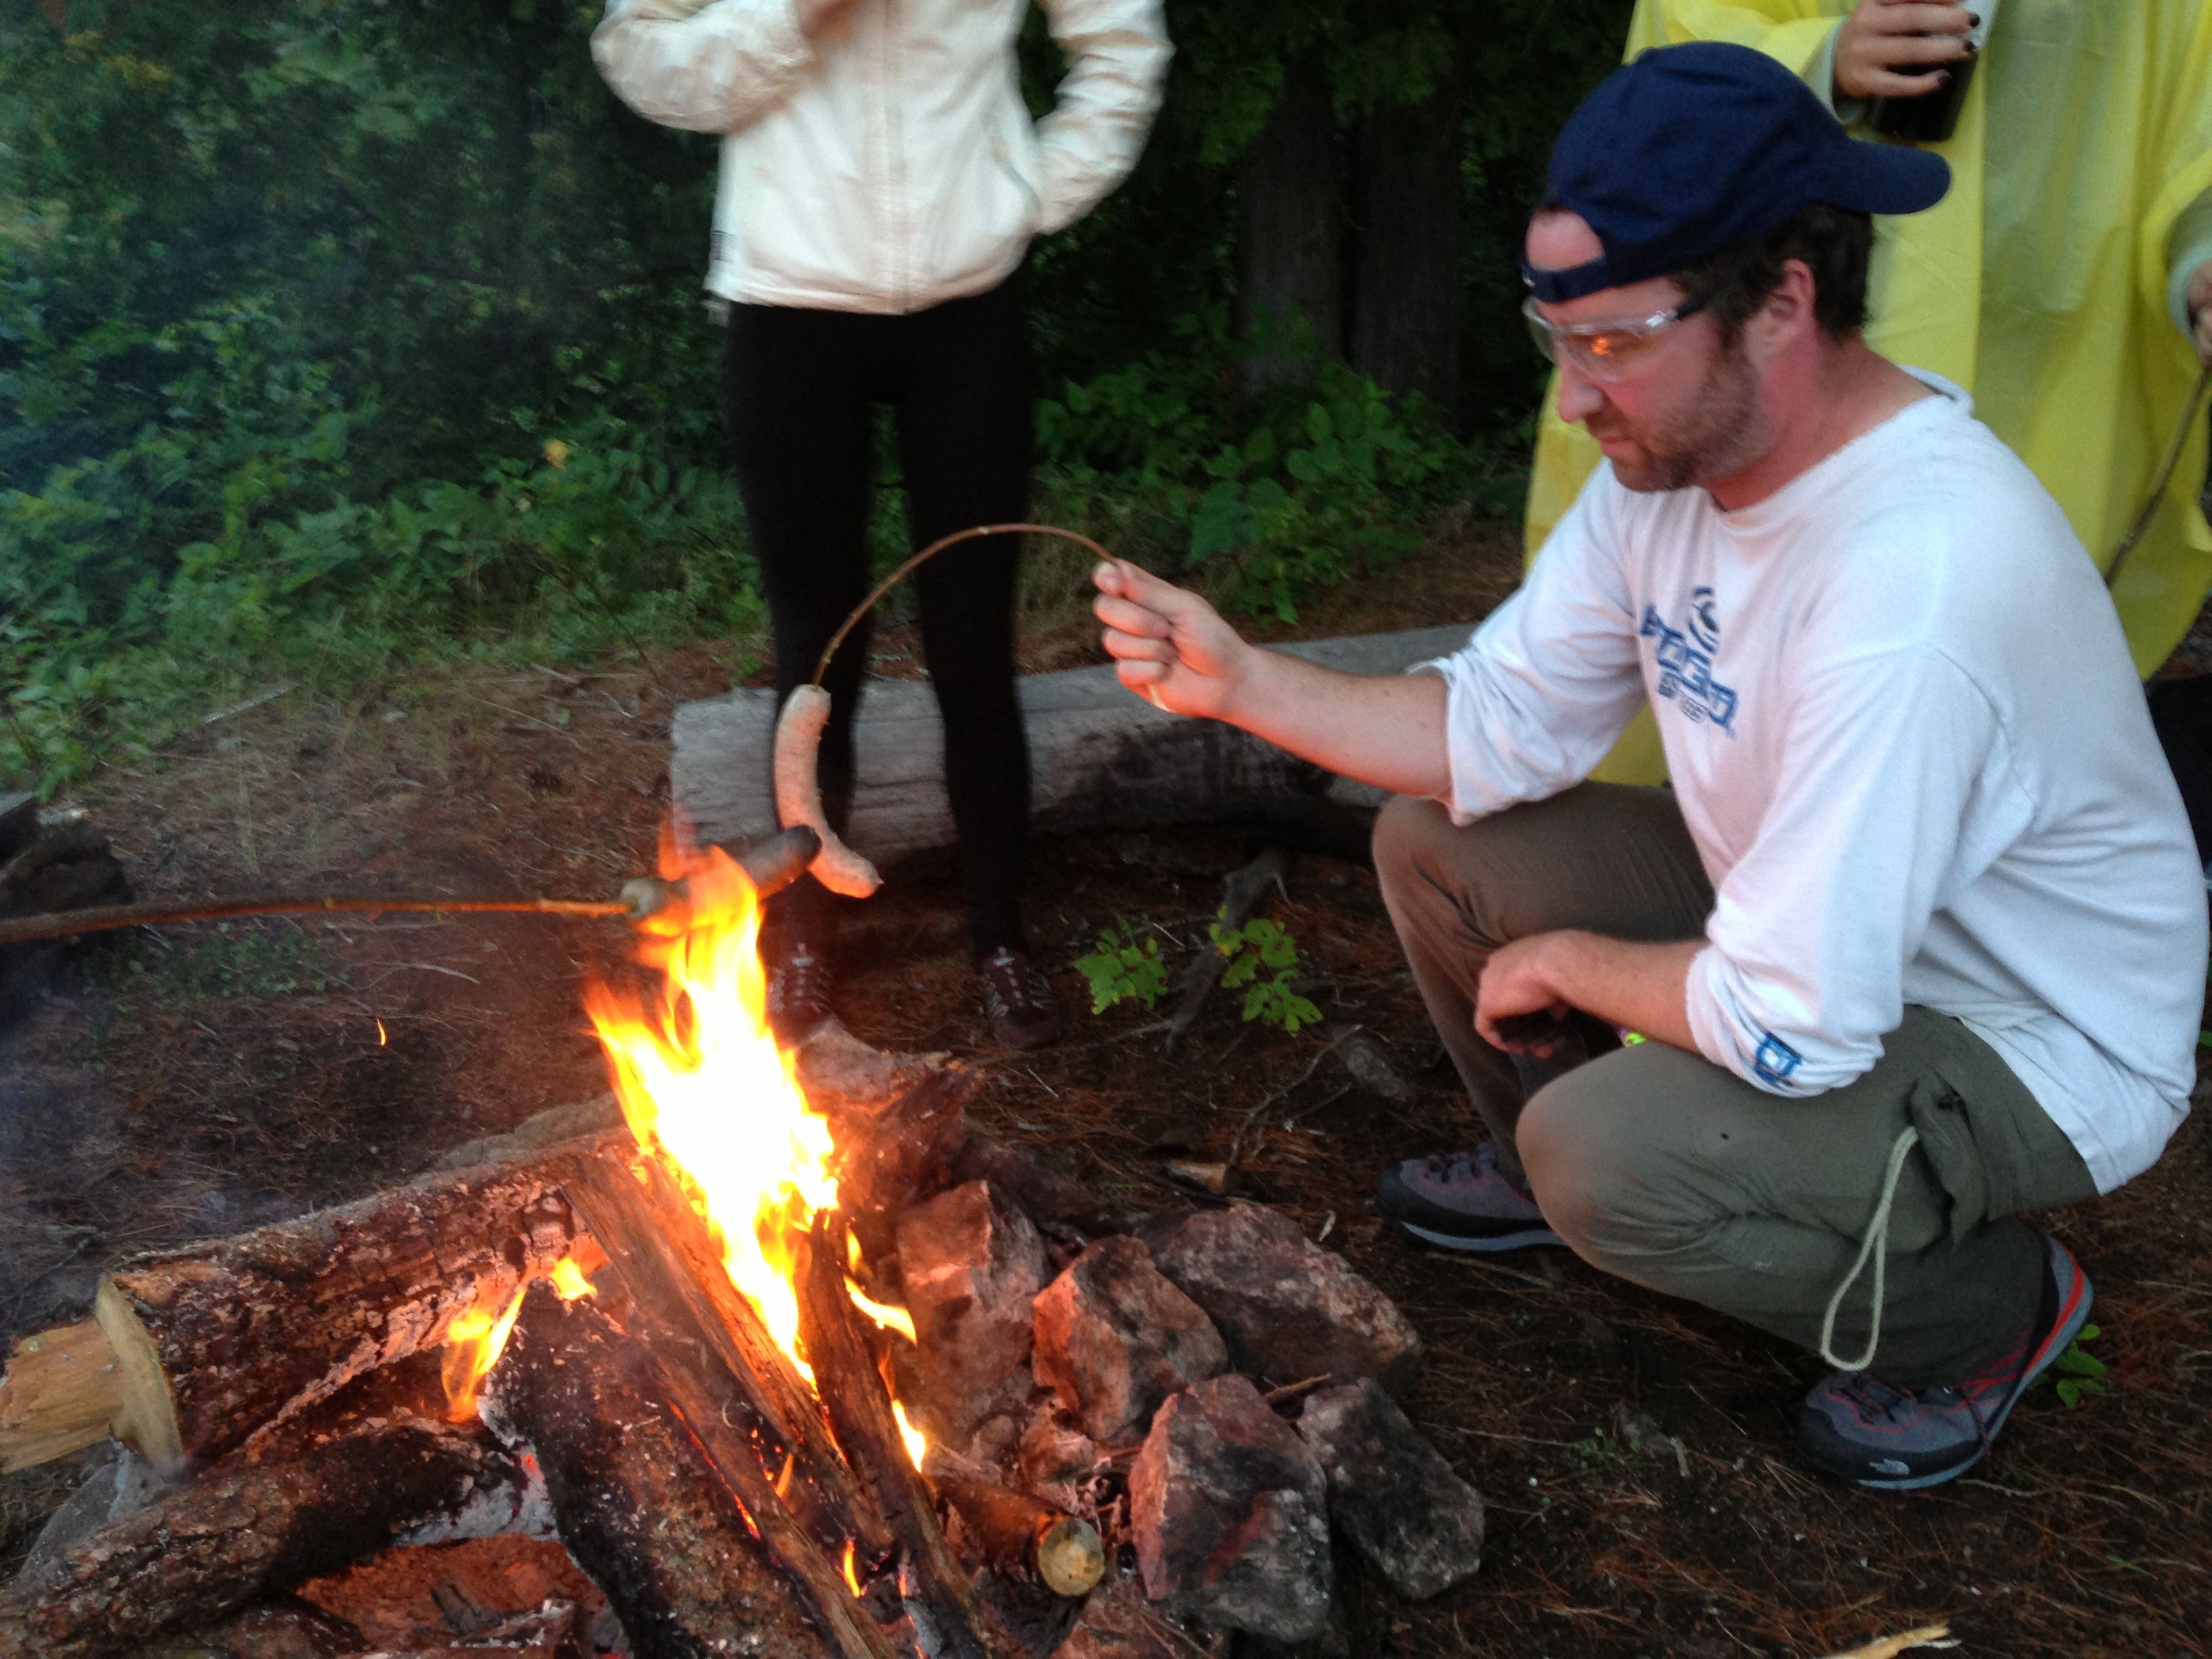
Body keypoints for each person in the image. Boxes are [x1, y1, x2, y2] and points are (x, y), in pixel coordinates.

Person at [1090, 43, 2205, 1491]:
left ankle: (1985, 1314)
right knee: (1434, 843)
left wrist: (1568, 961)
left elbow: (1795, 1018)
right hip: (1817, 911)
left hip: (2025, 1025)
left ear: (1781, 303)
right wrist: (1241, 684)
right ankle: (1580, 1154)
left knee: (1603, 1154)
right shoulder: (1675, 473)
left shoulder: (1912, 588)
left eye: (1612, 344)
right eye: (1557, 339)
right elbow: (1494, 722)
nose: (1574, 398)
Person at [592, 0, 1172, 1050]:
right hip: (788, 310)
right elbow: (645, 58)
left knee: (974, 645)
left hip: (968, 309)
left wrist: (1026, 195)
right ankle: (804, 936)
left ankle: (1000, 938)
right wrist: (795, 14)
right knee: (815, 654)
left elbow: (1121, 40)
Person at [1525, 0, 2212, 787]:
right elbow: (1673, 60)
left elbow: (2192, 110)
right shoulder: (1658, 450)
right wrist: (1819, 61)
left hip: (2052, 361)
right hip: (1768, 341)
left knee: (1953, 687)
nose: (1583, 397)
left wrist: (2201, 260)